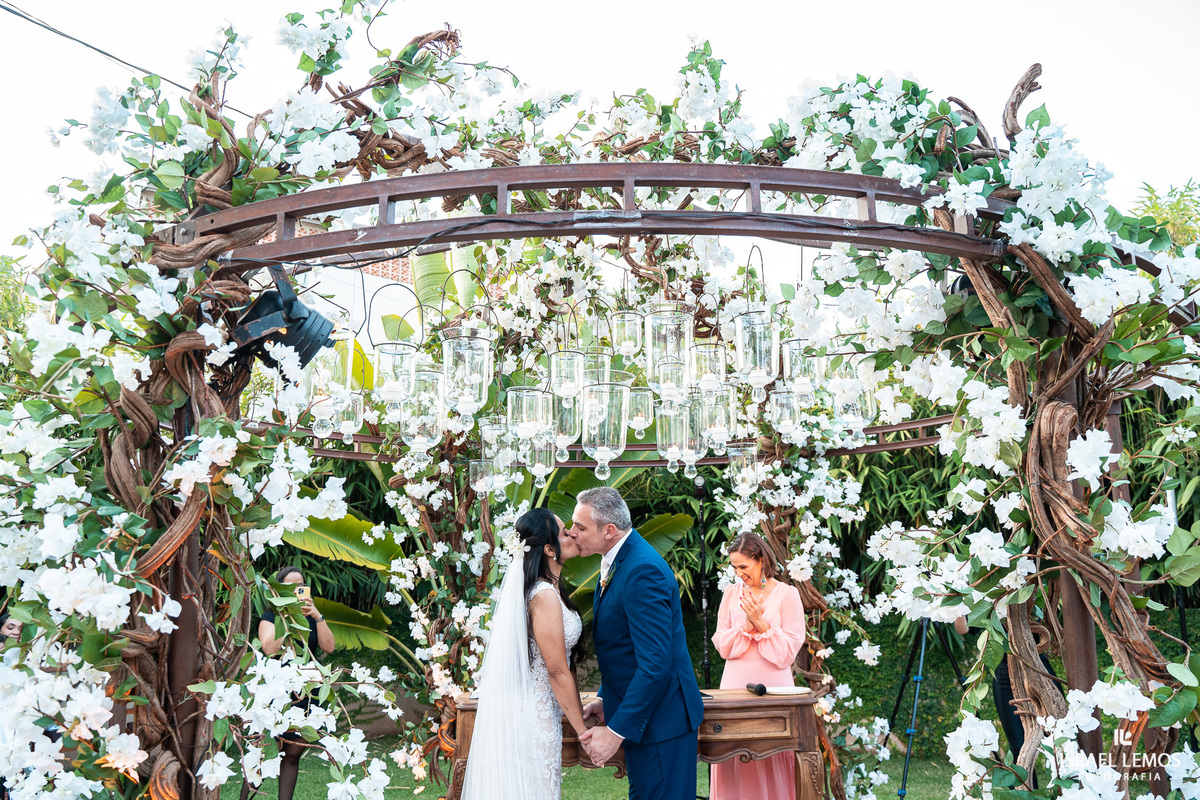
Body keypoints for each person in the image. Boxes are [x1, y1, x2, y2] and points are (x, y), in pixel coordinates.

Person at [572, 488, 704, 800]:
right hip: (650, 722)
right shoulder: (619, 560)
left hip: (662, 724)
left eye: (580, 526)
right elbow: (625, 648)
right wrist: (606, 700)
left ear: (608, 531)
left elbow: (655, 663)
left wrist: (615, 734)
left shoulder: (642, 570)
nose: (571, 531)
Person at [461, 508, 587, 800]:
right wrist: (583, 731)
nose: (571, 534)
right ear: (548, 548)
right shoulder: (542, 595)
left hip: (544, 711)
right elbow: (556, 670)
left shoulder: (551, 590)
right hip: (534, 717)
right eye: (564, 531)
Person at [710, 532, 806, 799]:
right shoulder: (731, 594)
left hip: (774, 689)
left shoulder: (788, 595)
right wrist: (747, 625)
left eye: (744, 566)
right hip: (734, 686)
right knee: (733, 753)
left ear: (761, 560)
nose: (738, 573)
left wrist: (762, 625)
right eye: (734, 567)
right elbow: (722, 645)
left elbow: (788, 653)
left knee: (772, 752)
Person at [240, 567, 335, 800]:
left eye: (300, 585)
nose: (296, 590)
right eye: (290, 587)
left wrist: (317, 616)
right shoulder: (270, 618)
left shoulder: (311, 618)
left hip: (303, 692)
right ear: (278, 590)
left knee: (292, 755)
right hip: (274, 691)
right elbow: (270, 648)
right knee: (259, 753)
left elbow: (328, 647)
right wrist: (290, 618)